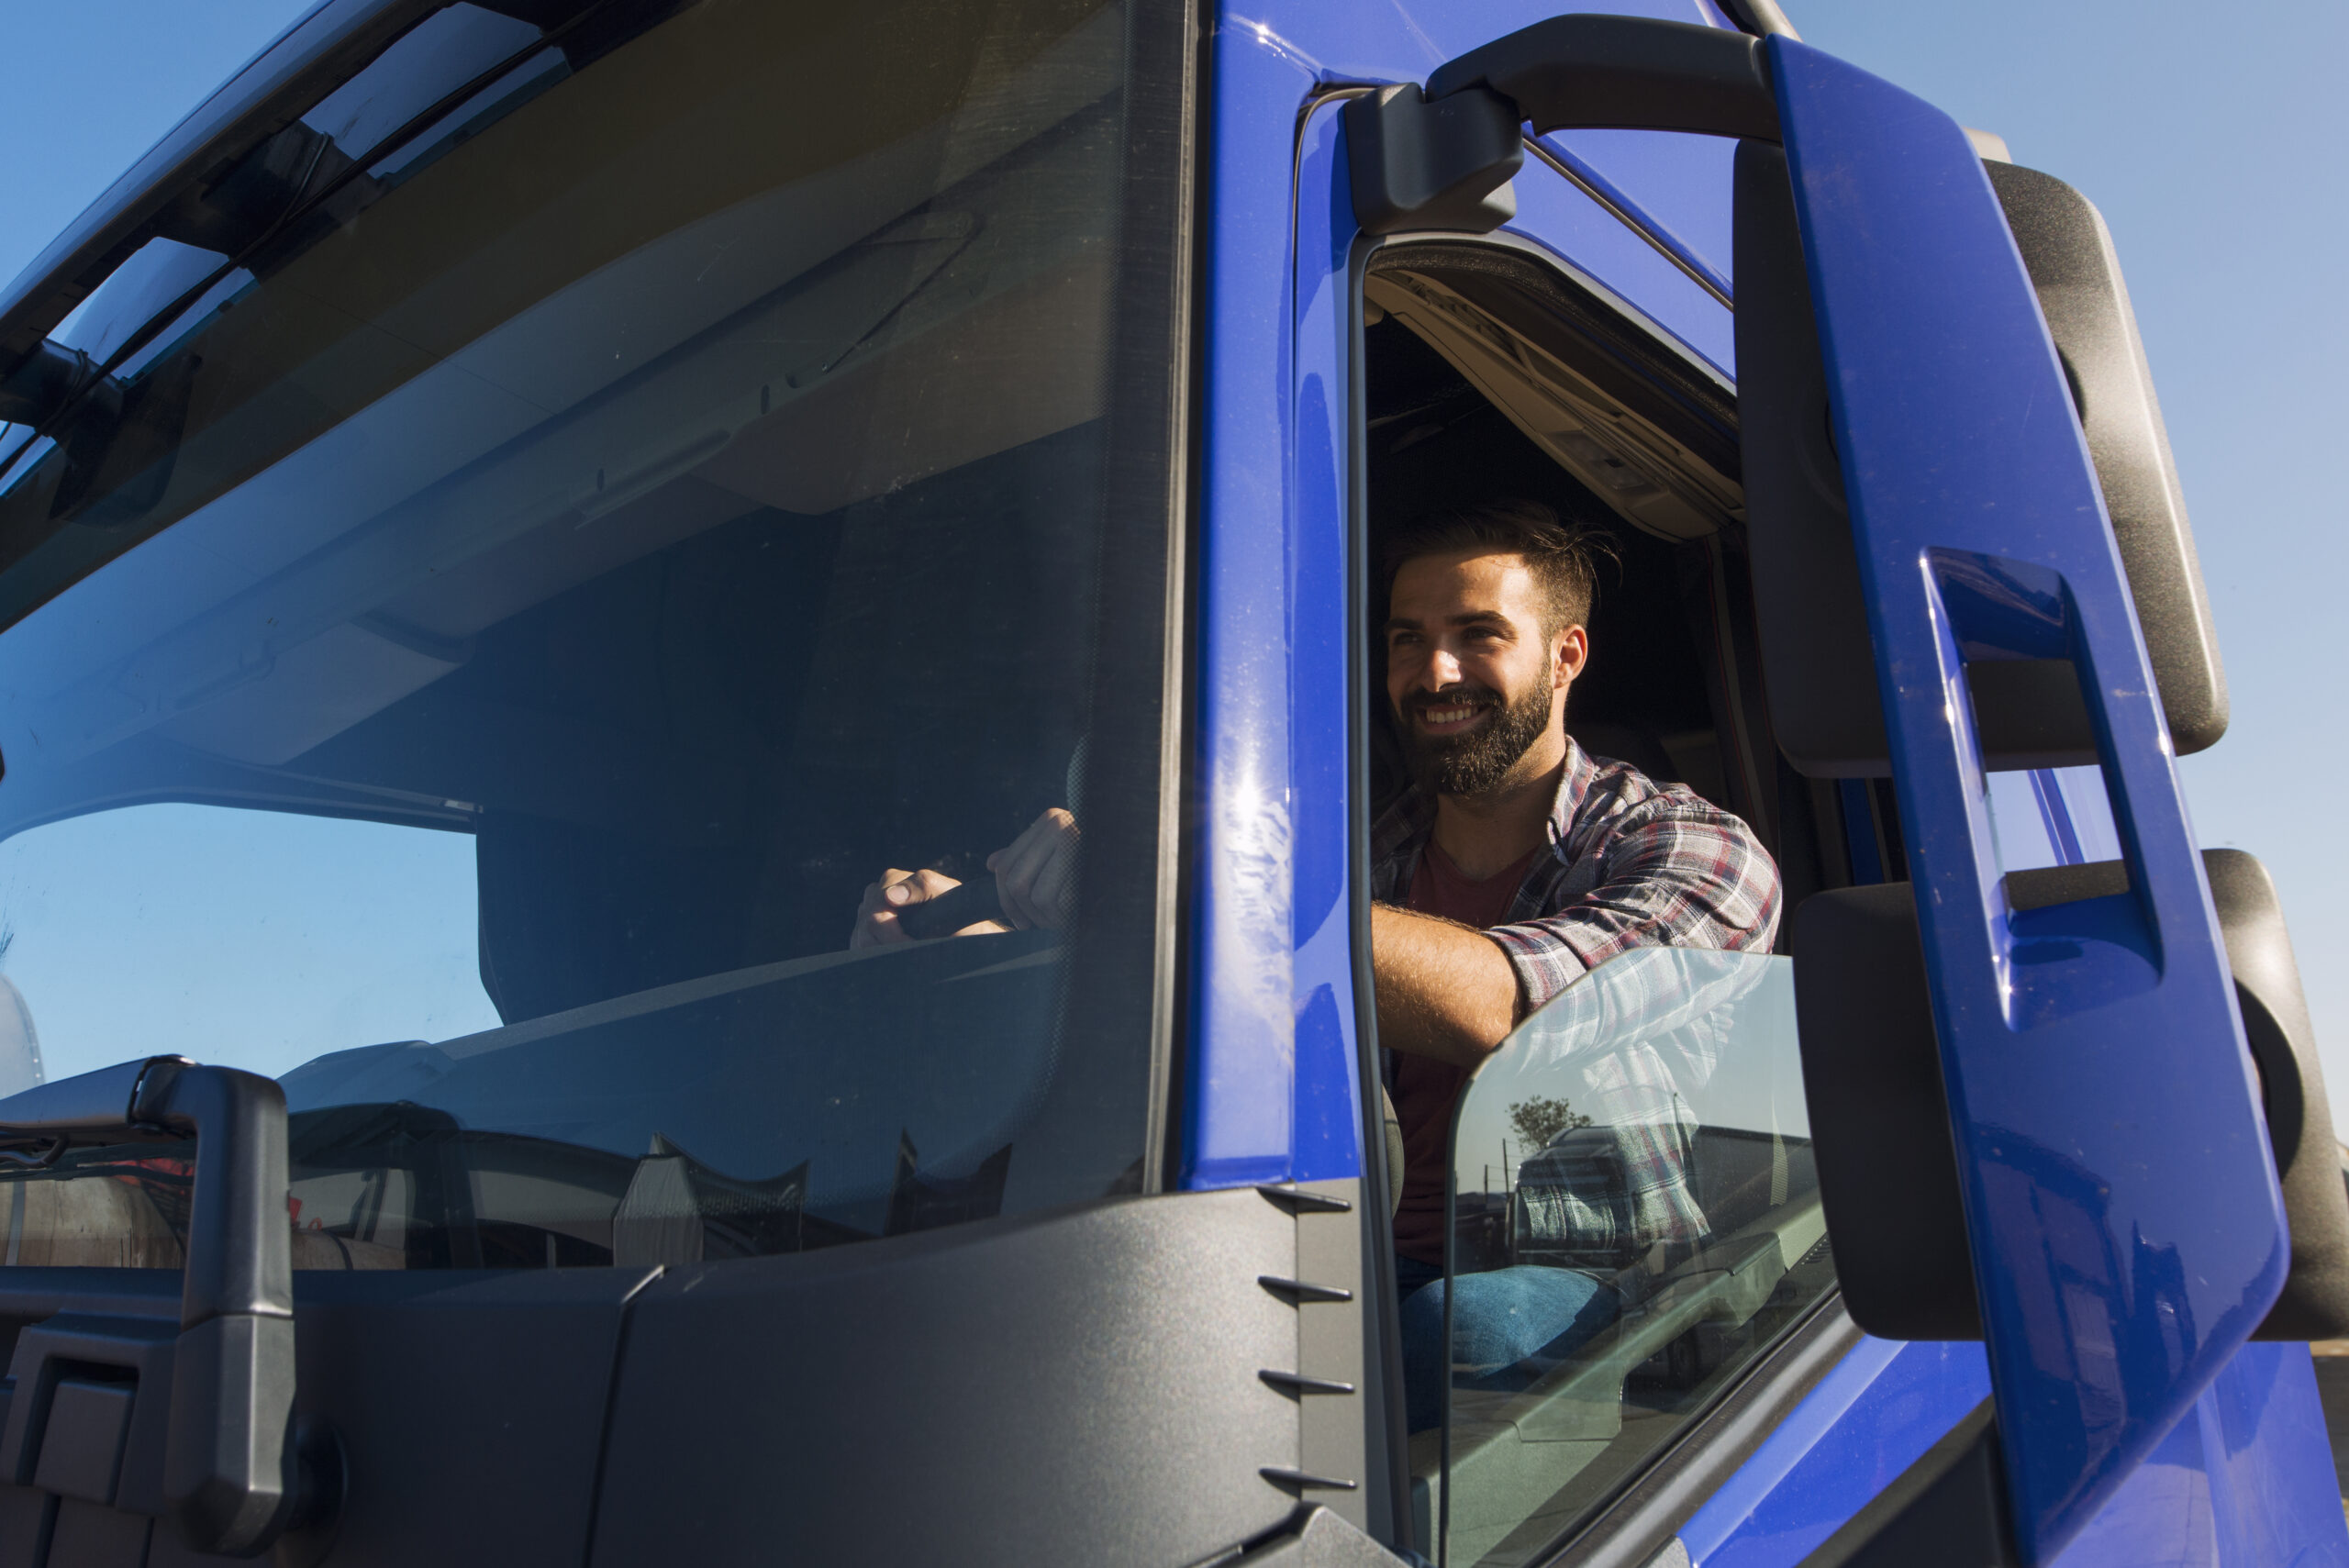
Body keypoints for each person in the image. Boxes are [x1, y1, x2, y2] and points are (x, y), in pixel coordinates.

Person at [850, 497, 1779, 1426]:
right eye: (1407, 638)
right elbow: (1201, 993)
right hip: (1341, 1245)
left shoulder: (1692, 850)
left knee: (1449, 1334)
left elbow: (1508, 1004)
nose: (1434, 670)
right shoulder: (1355, 861)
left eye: (1477, 633)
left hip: (1595, 1279)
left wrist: (1169, 876)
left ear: (1566, 654)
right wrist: (984, 942)